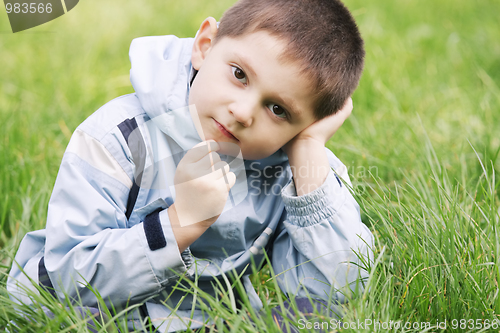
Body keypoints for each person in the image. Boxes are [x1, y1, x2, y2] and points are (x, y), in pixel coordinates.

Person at [7, 0, 374, 332]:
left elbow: (336, 291)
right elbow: (64, 279)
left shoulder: (293, 165)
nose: (243, 113)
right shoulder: (118, 138)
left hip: (209, 320)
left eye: (278, 110)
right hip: (95, 313)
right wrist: (179, 223)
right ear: (204, 46)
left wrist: (309, 149)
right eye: (239, 75)